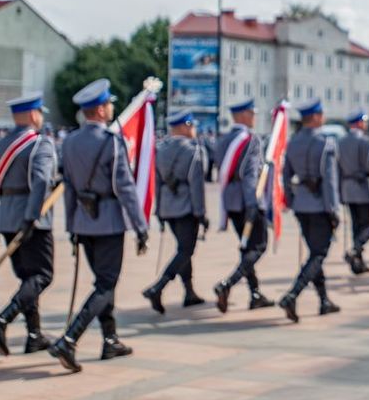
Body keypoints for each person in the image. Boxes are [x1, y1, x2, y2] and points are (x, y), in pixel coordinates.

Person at [49, 78, 149, 373]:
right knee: (105, 284)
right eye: (109, 104)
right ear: (101, 110)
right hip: (108, 221)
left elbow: (67, 187)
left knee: (103, 283)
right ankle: (70, 338)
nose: (111, 108)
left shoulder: (69, 142)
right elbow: (126, 188)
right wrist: (140, 226)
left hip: (83, 220)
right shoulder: (111, 142)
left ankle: (110, 339)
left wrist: (71, 228)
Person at [0, 92, 58, 357]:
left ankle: (34, 334)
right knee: (42, 276)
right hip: (30, 217)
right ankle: (2, 320)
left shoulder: (2, 142)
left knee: (28, 278)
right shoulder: (40, 143)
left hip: (6, 216)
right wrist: (32, 216)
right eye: (39, 112)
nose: (41, 118)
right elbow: (40, 181)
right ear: (31, 114)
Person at [279, 99, 341, 322]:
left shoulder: (293, 142)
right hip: (319, 206)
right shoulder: (325, 142)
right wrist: (333, 210)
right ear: (315, 117)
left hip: (301, 205)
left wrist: (290, 199)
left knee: (315, 253)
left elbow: (285, 175)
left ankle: (324, 300)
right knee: (318, 254)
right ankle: (292, 294)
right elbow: (330, 181)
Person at [143, 110, 207, 314]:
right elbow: (196, 186)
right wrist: (201, 213)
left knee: (183, 249)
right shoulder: (192, 150)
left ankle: (189, 292)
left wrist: (159, 211)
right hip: (186, 208)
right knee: (185, 251)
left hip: (168, 208)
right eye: (192, 125)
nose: (194, 129)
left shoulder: (161, 149)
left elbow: (158, 182)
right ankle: (158, 286)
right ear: (184, 126)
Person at [212, 99, 272, 313]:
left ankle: (255, 293)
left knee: (247, 248)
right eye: (252, 113)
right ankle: (227, 284)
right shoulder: (250, 140)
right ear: (244, 115)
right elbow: (250, 176)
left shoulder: (224, 139)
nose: (254, 117)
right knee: (259, 246)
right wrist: (252, 204)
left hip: (231, 201)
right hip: (248, 201)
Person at [339, 109, 369, 275]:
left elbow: (337, 168)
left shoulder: (341, 141)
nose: (365, 125)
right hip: (364, 189)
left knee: (356, 226)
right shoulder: (366, 141)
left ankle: (357, 263)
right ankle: (355, 250)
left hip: (348, 190)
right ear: (359, 123)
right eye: (364, 122)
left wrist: (339, 192)